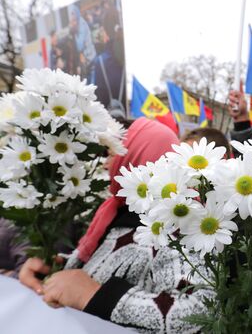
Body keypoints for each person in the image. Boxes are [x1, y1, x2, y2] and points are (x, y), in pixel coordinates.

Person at [19, 118, 207, 333]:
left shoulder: (177, 228)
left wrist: (95, 295)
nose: (105, 164)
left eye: (111, 154)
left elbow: (196, 314)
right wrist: (51, 270)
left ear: (138, 158)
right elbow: (94, 272)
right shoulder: (118, 213)